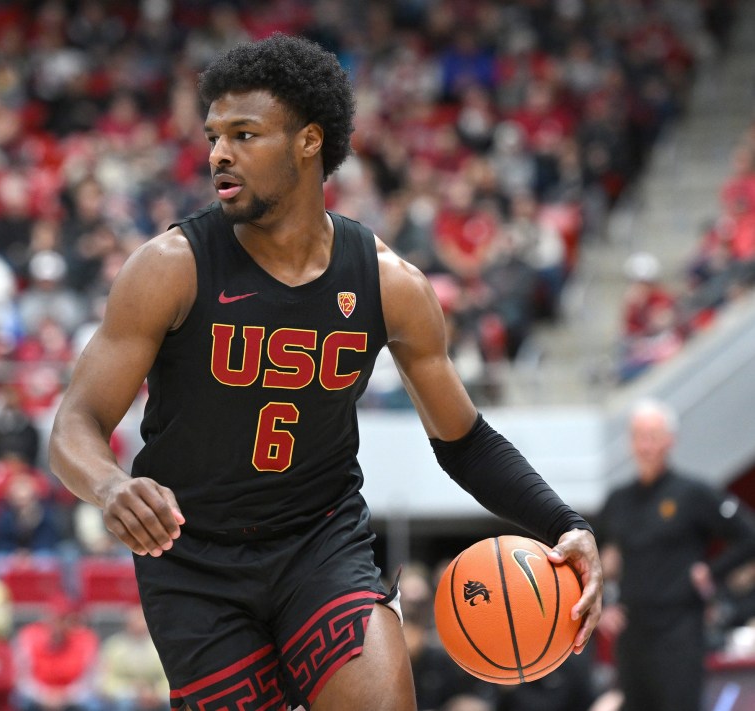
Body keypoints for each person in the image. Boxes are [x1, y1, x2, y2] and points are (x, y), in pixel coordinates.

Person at [48, 34, 602, 711]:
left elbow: (464, 439)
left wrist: (565, 522)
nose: (219, 152)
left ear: (309, 141)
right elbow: (74, 423)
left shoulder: (390, 283)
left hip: (320, 538)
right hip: (193, 559)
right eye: (214, 135)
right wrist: (108, 487)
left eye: (245, 134)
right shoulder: (169, 267)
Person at [597, 399, 755, 711]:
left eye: (653, 436)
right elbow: (588, 555)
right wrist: (602, 606)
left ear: (670, 441)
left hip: (679, 632)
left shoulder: (693, 493)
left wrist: (713, 572)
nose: (645, 446)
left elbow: (748, 536)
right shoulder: (618, 500)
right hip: (632, 634)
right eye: (639, 436)